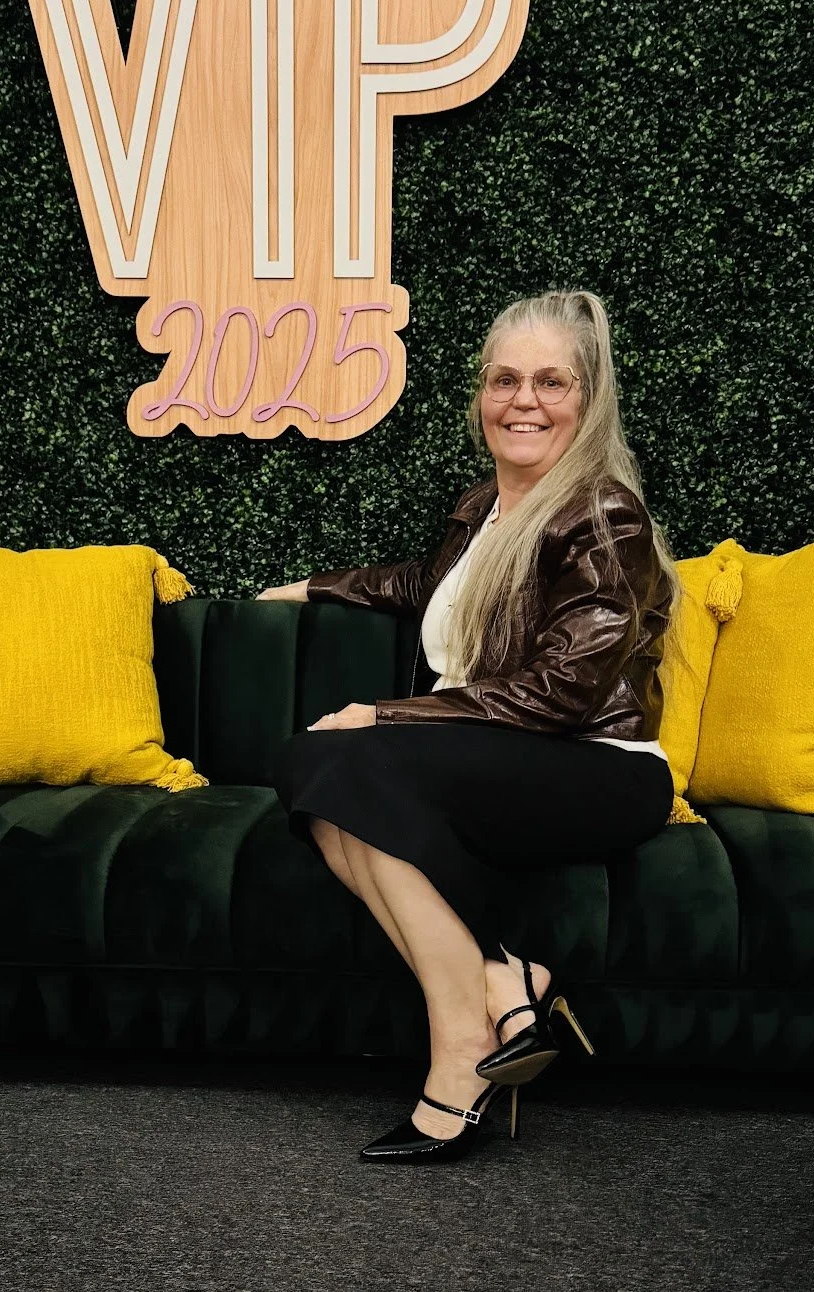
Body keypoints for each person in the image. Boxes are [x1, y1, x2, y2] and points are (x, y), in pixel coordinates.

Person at [259, 288, 681, 1164]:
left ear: (589, 399)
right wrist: (311, 587)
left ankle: (458, 1055)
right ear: (481, 395)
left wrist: (384, 712)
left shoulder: (603, 515)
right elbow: (430, 585)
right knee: (313, 763)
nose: (524, 401)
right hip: (498, 753)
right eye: (504, 380)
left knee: (352, 758)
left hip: (597, 764)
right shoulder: (482, 508)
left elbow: (563, 692)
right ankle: (502, 979)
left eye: (551, 382)